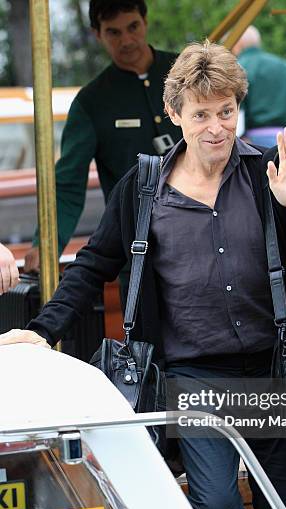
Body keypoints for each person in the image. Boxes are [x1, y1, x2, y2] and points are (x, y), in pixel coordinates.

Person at [10, 41, 286, 509]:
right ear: (175, 115)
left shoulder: (269, 175)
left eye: (226, 112)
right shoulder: (144, 188)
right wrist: (40, 329)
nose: (217, 127)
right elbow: (94, 264)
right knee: (217, 508)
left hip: (277, 372)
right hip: (195, 378)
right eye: (202, 115)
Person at [24, 0, 182, 296]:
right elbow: (68, 184)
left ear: (145, 21)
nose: (127, 40)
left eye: (132, 27)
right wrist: (46, 246)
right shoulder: (92, 102)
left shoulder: (185, 74)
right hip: (139, 255)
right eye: (114, 32)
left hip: (207, 241)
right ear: (97, 34)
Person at [232, 26, 286, 148]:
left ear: (238, 44)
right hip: (285, 136)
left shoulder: (237, 69)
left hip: (249, 140)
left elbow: (236, 104)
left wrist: (241, 133)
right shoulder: (283, 65)